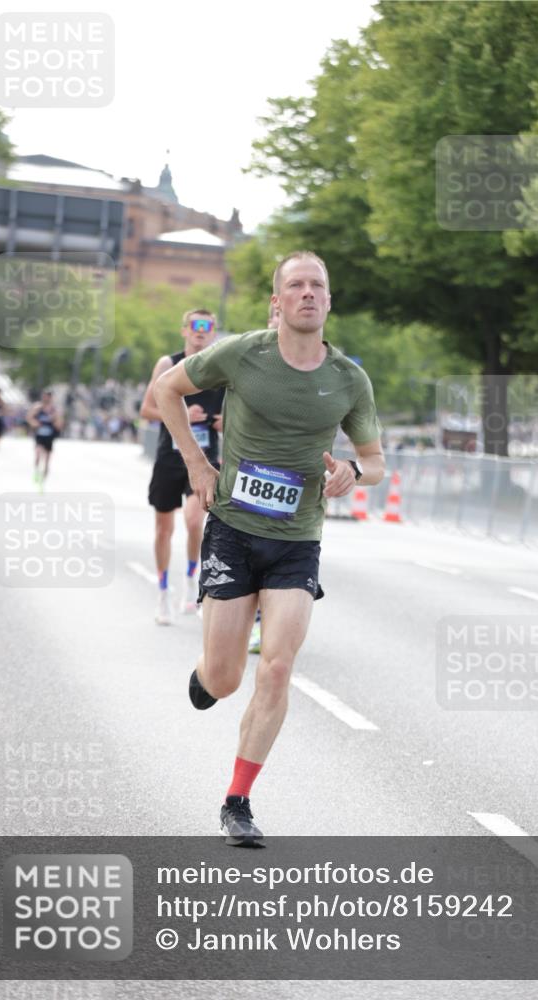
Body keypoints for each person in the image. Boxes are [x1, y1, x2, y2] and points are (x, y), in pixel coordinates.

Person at [155, 251, 385, 846]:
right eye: (295, 285)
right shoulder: (243, 354)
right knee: (227, 679)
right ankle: (209, 673)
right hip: (232, 530)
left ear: (329, 301)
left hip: (297, 542)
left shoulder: (349, 380)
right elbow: (167, 390)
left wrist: (353, 473)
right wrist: (197, 463)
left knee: (278, 667)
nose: (308, 294)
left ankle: (238, 800)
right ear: (276, 302)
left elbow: (378, 464)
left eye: (318, 286)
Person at [140, 310, 224, 626]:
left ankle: (191, 581)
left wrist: (219, 422)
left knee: (193, 522)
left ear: (214, 333)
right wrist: (182, 415)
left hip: (203, 460)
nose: (201, 331)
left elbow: (235, 418)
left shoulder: (220, 370)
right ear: (184, 331)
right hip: (169, 457)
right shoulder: (167, 365)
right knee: (164, 528)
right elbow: (147, 409)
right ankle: (162, 591)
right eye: (195, 326)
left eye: (208, 327)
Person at [246, 299, 281, 655]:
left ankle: (264, 623)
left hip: (289, 482)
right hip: (247, 473)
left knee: (276, 555)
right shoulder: (249, 359)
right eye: (273, 317)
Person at [26, 389, 62, 488]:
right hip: (40, 435)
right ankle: (36, 471)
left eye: (48, 396)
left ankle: (43, 481)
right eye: (45, 396)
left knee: (47, 459)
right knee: (38, 453)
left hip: (49, 436)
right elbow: (29, 418)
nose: (46, 398)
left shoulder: (55, 410)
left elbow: (59, 424)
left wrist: (55, 420)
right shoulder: (38, 407)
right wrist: (35, 423)